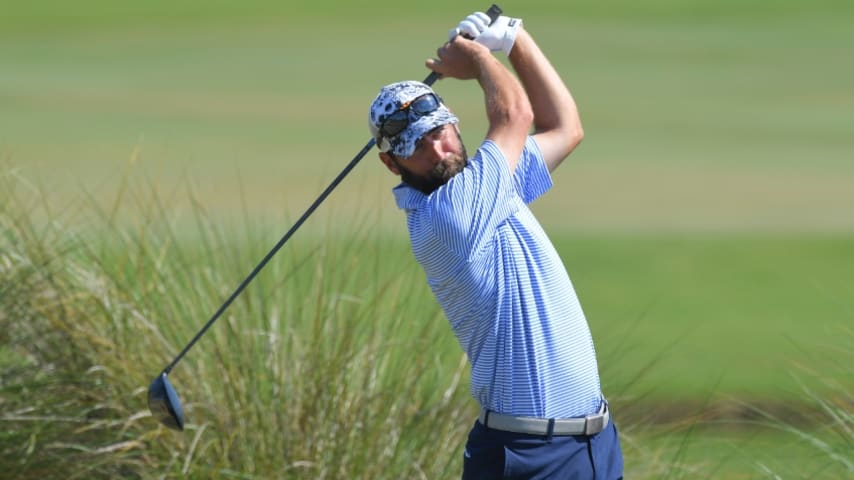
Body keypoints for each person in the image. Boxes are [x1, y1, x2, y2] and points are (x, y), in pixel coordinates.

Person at [367, 11, 623, 480]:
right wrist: (480, 58)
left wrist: (515, 38)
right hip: (526, 454)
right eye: (415, 146)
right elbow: (514, 114)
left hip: (594, 444)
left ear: (454, 124)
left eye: (439, 132)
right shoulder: (449, 215)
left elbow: (565, 128)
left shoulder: (490, 186)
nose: (438, 150)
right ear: (391, 163)